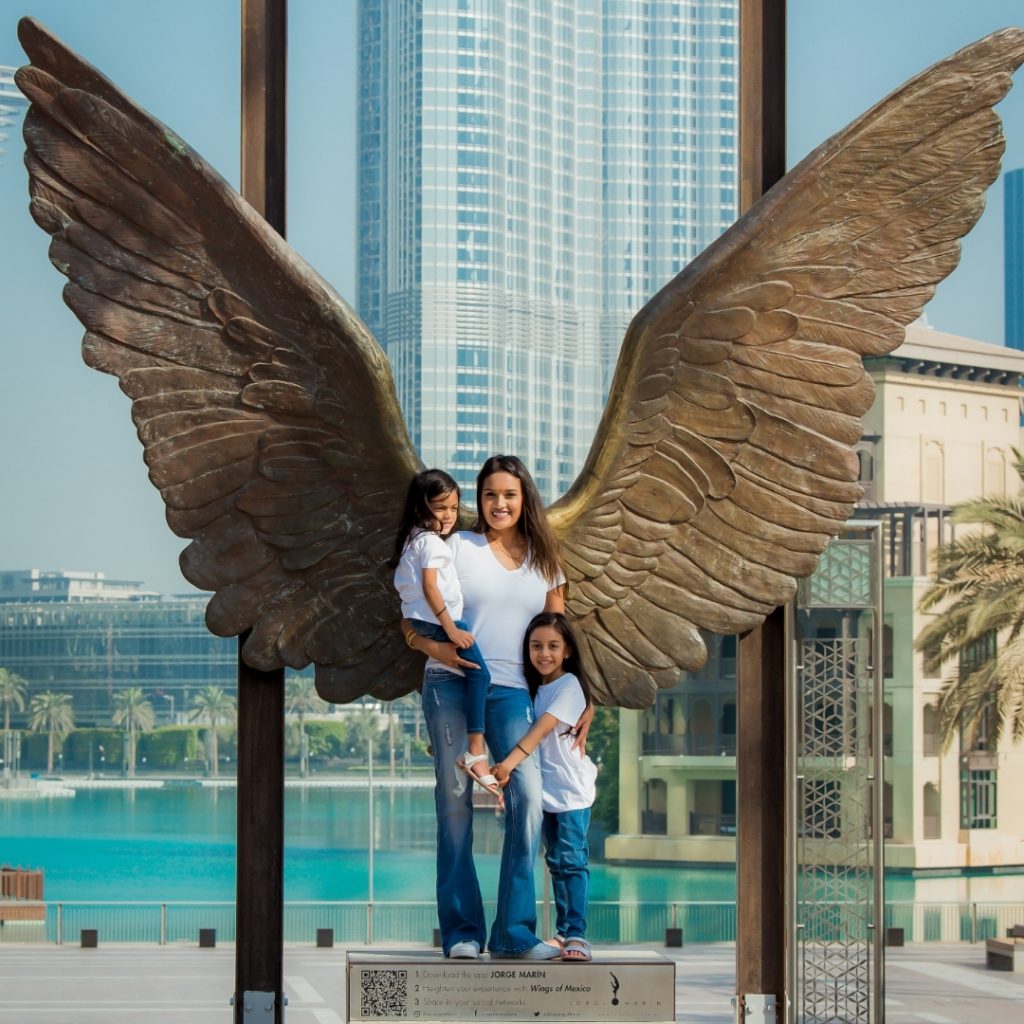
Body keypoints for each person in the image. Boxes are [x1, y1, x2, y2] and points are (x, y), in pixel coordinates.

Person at [401, 455, 591, 961]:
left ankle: (514, 934)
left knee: (528, 798)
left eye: (509, 494)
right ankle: (462, 932)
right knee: (455, 804)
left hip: (512, 694)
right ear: (478, 500)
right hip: (450, 684)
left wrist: (583, 700)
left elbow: (558, 642)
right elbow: (409, 623)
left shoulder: (547, 563)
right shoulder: (455, 547)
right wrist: (437, 651)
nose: (499, 504)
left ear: (524, 497)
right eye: (489, 495)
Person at [491, 612, 597, 963]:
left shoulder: (569, 685)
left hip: (569, 791)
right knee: (554, 862)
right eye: (536, 646)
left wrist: (507, 764)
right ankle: (564, 933)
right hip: (543, 790)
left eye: (553, 646)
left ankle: (577, 934)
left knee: (571, 861)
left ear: (567, 650)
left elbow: (541, 730)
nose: (544, 653)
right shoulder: (532, 687)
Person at [390, 469, 499, 798]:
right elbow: (430, 586)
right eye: (441, 508)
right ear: (422, 507)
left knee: (465, 677)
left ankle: (440, 741)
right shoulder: (433, 544)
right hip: (441, 624)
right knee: (481, 676)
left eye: (453, 508)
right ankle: (476, 752)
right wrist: (451, 628)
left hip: (422, 623)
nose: (449, 515)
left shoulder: (411, 540)